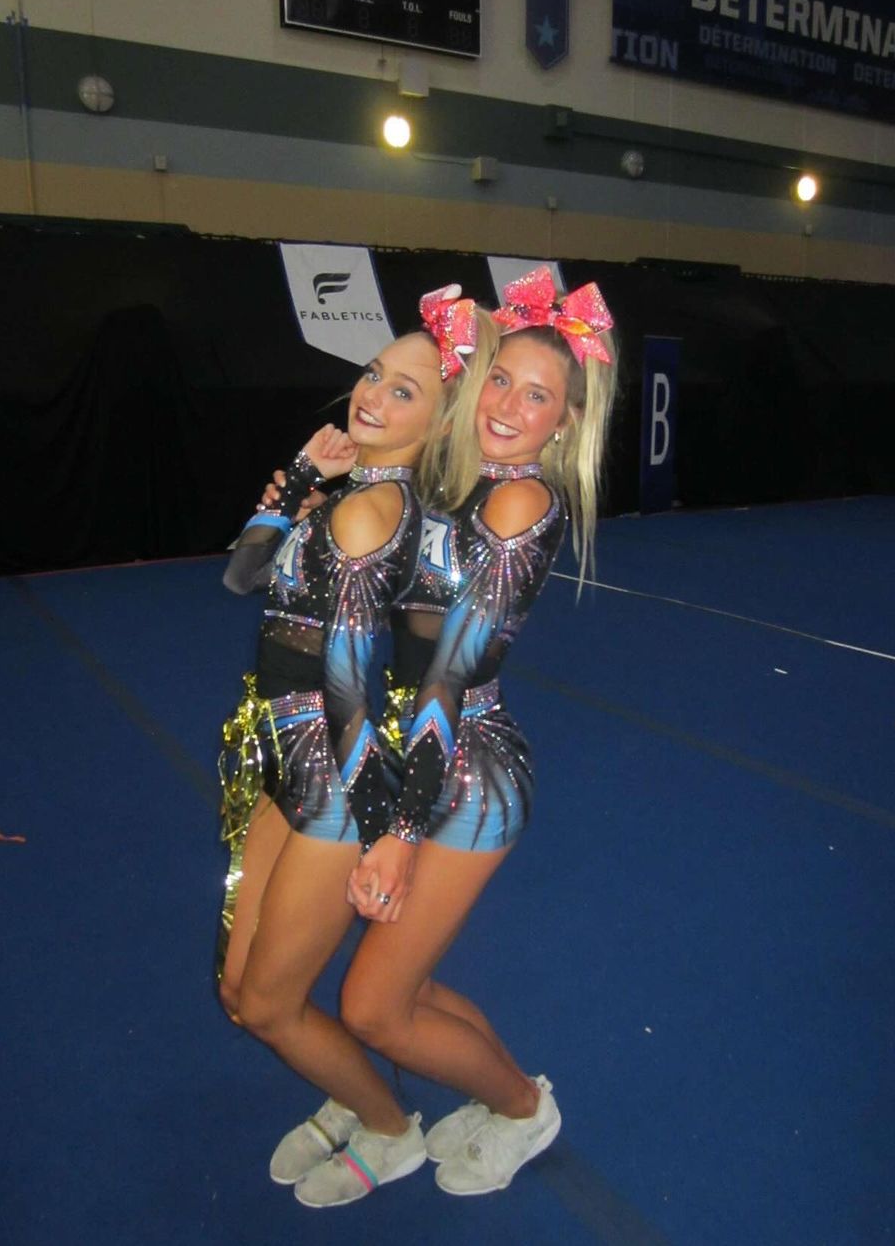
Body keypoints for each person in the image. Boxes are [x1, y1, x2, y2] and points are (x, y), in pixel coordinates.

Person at [286, 265, 615, 1204]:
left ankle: (521, 1107)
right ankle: (506, 1092)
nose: (508, 405)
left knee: (373, 1008)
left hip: (469, 775)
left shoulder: (519, 504)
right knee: (406, 986)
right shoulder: (461, 479)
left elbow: (450, 678)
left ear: (565, 422)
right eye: (499, 379)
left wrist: (395, 830)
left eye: (537, 395)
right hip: (419, 754)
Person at [216, 287, 499, 1207]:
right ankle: (350, 1088)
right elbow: (243, 573)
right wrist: (302, 475)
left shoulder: (373, 514)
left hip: (332, 779)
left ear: (441, 423)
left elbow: (346, 686)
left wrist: (387, 832)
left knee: (266, 1004)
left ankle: (388, 1128)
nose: (372, 394)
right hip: (285, 757)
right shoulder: (351, 495)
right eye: (374, 373)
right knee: (242, 993)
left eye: (404, 391)